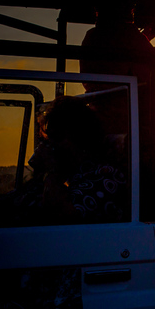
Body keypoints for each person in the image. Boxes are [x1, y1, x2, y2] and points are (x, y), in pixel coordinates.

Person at [10, 96, 129, 225]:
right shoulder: (66, 176)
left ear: (80, 137)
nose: (51, 145)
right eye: (47, 139)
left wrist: (52, 170)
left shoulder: (105, 176)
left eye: (57, 137)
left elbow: (60, 215)